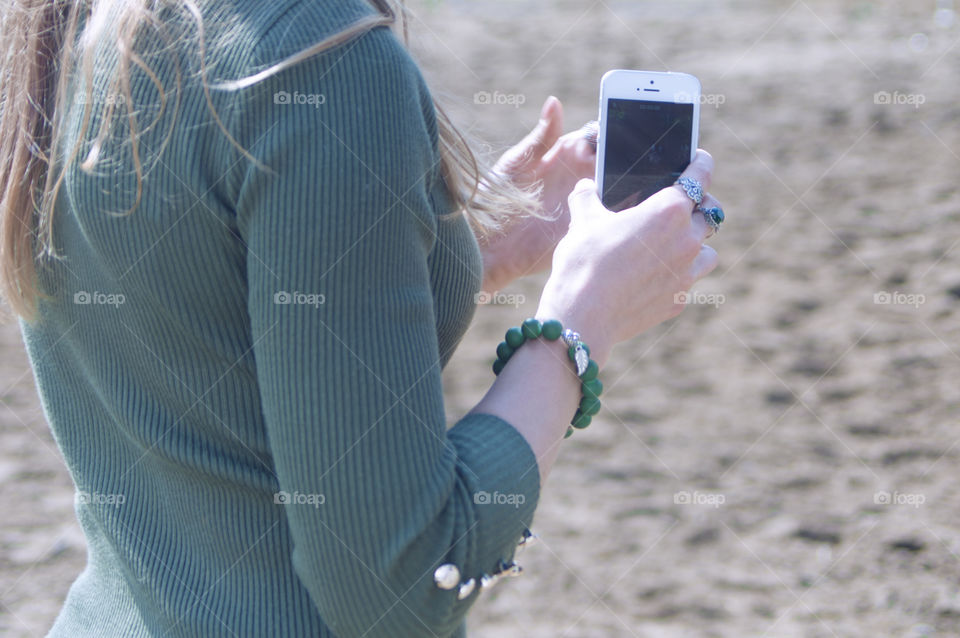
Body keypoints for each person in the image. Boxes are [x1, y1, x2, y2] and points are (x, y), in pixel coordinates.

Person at [0, 0, 722, 636]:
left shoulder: (81, 23)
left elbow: (204, 321)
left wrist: (454, 250)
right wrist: (576, 325)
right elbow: (400, 583)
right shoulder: (321, 60)